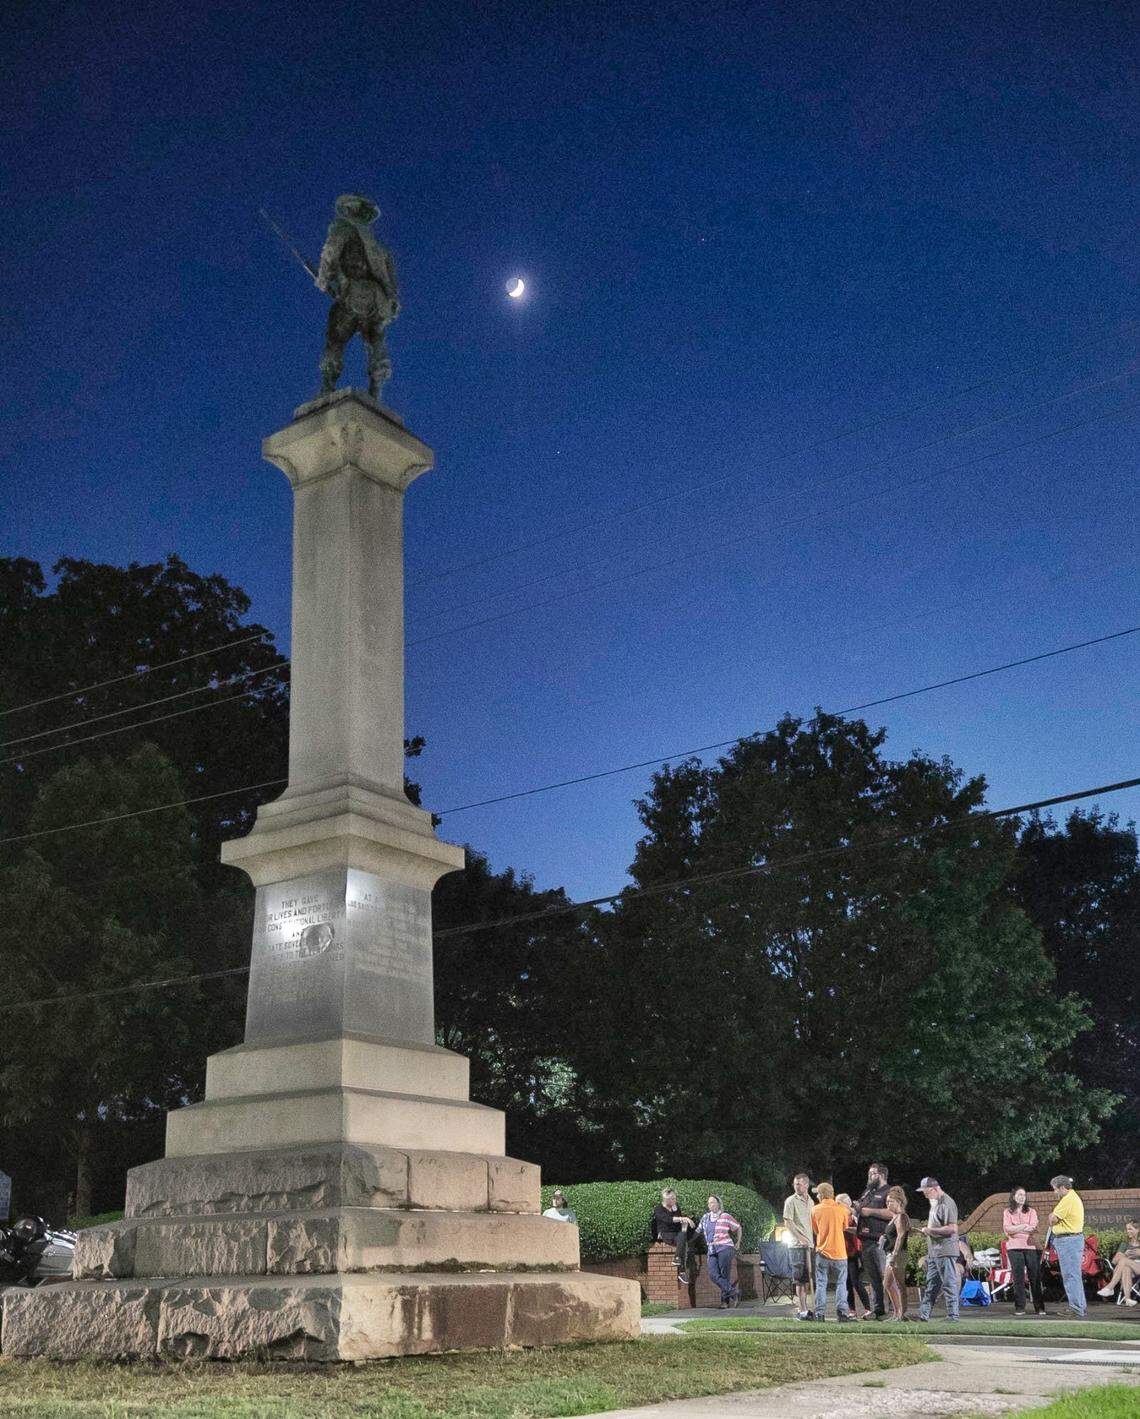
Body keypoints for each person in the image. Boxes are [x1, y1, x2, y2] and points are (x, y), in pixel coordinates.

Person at [316, 193, 399, 398]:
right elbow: (391, 278)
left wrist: (323, 278)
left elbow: (330, 252)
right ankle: (376, 391)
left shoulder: (343, 228)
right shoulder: (377, 247)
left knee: (336, 338)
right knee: (375, 339)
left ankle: (327, 387)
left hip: (353, 293)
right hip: (377, 299)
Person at [916, 1176, 960, 1323]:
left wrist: (930, 1231)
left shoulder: (946, 1203)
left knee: (948, 1283)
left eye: (926, 1191)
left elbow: (952, 1228)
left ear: (934, 1189)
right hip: (934, 1251)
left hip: (945, 1250)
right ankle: (923, 1315)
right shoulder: (934, 1202)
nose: (924, 1194)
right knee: (931, 1285)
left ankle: (953, 1316)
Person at [809, 1183, 853, 1322]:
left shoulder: (815, 1209)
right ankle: (842, 1313)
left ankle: (820, 1314)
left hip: (822, 1252)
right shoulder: (842, 1209)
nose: (816, 1195)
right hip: (840, 1253)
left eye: (818, 1193)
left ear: (822, 1195)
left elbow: (816, 1231)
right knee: (841, 1284)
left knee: (821, 1283)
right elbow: (845, 1227)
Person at [853, 1161, 891, 1319]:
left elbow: (892, 1213)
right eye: (869, 1174)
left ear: (881, 1175)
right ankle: (878, 1310)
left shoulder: (889, 1192)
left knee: (885, 1277)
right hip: (865, 1240)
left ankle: (893, 1311)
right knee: (873, 1278)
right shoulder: (868, 1191)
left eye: (873, 1174)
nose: (870, 1176)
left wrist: (870, 1211)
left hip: (879, 1241)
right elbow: (862, 1209)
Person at [1003, 1187, 1047, 1317]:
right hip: (1014, 1248)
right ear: (1013, 1196)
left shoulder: (1031, 1211)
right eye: (1019, 1194)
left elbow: (1033, 1228)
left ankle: (1039, 1307)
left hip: (1031, 1247)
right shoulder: (1007, 1212)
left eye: (1024, 1195)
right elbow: (1007, 1229)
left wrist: (1016, 1228)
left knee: (1035, 1277)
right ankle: (1020, 1307)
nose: (1022, 1197)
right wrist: (1022, 1227)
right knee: (1018, 1278)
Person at [1047, 1175, 1086, 1318]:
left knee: (1070, 1275)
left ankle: (1076, 1308)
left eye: (1055, 1189)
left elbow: (1053, 1219)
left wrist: (1052, 1215)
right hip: (1072, 1240)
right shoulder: (1073, 1197)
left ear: (1063, 1188)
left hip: (1068, 1241)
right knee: (1074, 1275)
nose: (1054, 1192)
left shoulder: (1068, 1199)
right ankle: (1079, 1306)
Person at [698, 1195, 742, 1308]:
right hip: (711, 1249)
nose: (710, 1205)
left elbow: (738, 1227)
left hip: (725, 1247)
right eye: (709, 1203)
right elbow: (698, 1231)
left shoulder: (725, 1216)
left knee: (724, 1275)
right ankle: (734, 1292)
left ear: (718, 1204)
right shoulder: (705, 1218)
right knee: (713, 1275)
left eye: (713, 1202)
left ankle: (725, 1302)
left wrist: (738, 1242)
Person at [783, 1172, 815, 1320]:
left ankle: (807, 1308)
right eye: (795, 1184)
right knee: (799, 1279)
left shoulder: (811, 1202)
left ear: (806, 1185)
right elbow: (788, 1223)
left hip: (810, 1245)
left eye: (799, 1184)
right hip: (796, 1246)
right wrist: (800, 1238)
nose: (796, 1186)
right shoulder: (790, 1201)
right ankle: (801, 1310)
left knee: (807, 1278)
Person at [652, 1187, 698, 1286]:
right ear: (666, 1199)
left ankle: (677, 1259)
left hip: (677, 1234)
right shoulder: (658, 1208)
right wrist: (683, 1218)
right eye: (672, 1199)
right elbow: (668, 1220)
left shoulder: (676, 1207)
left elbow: (678, 1223)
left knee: (683, 1236)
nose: (674, 1200)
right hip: (665, 1233)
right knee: (683, 1241)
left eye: (675, 1198)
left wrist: (687, 1220)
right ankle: (681, 1272)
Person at [837, 1192, 873, 1319]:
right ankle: (852, 1310)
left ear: (846, 1203)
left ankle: (868, 1308)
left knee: (856, 1281)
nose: (837, 1206)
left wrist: (845, 1228)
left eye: (839, 1203)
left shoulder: (854, 1215)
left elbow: (860, 1230)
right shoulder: (839, 1215)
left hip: (854, 1252)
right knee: (846, 1283)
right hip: (843, 1252)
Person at [881, 1185, 911, 1321]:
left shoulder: (901, 1217)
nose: (887, 1204)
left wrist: (895, 1254)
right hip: (890, 1253)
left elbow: (900, 1236)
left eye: (890, 1201)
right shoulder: (894, 1218)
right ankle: (896, 1313)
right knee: (887, 1284)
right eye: (887, 1201)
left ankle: (902, 1314)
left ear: (898, 1202)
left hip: (898, 1254)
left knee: (899, 1284)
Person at [1097, 1218, 1140, 1305]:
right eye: (1127, 1229)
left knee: (1124, 1261)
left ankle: (1110, 1287)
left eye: (1130, 1229)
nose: (1128, 1231)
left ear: (1138, 1230)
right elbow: (1114, 1261)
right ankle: (1127, 1299)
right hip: (1130, 1269)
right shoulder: (1125, 1244)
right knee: (1125, 1268)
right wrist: (1125, 1255)